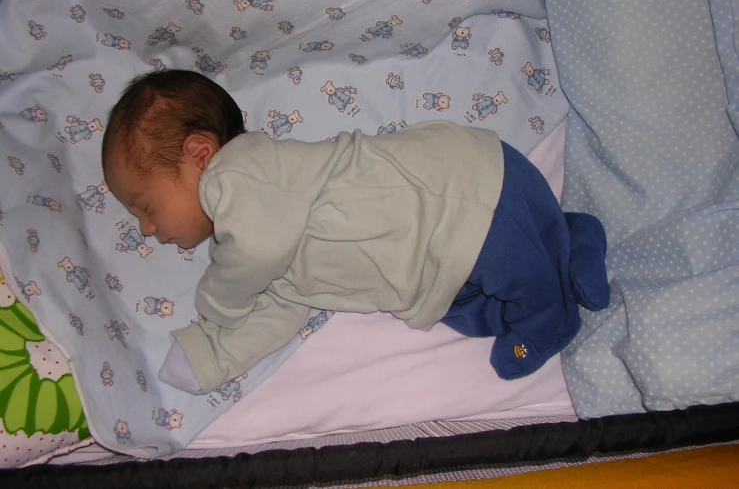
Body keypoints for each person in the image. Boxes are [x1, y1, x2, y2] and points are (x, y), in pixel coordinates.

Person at [102, 69, 610, 395]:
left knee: (521, 284)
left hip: (461, 196)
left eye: (146, 206)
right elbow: (280, 310)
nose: (148, 230)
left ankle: (552, 322)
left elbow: (256, 254)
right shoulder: (259, 235)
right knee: (473, 310)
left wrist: (217, 304)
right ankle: (572, 241)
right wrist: (210, 354)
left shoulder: (243, 175)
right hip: (444, 261)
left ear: (200, 155)